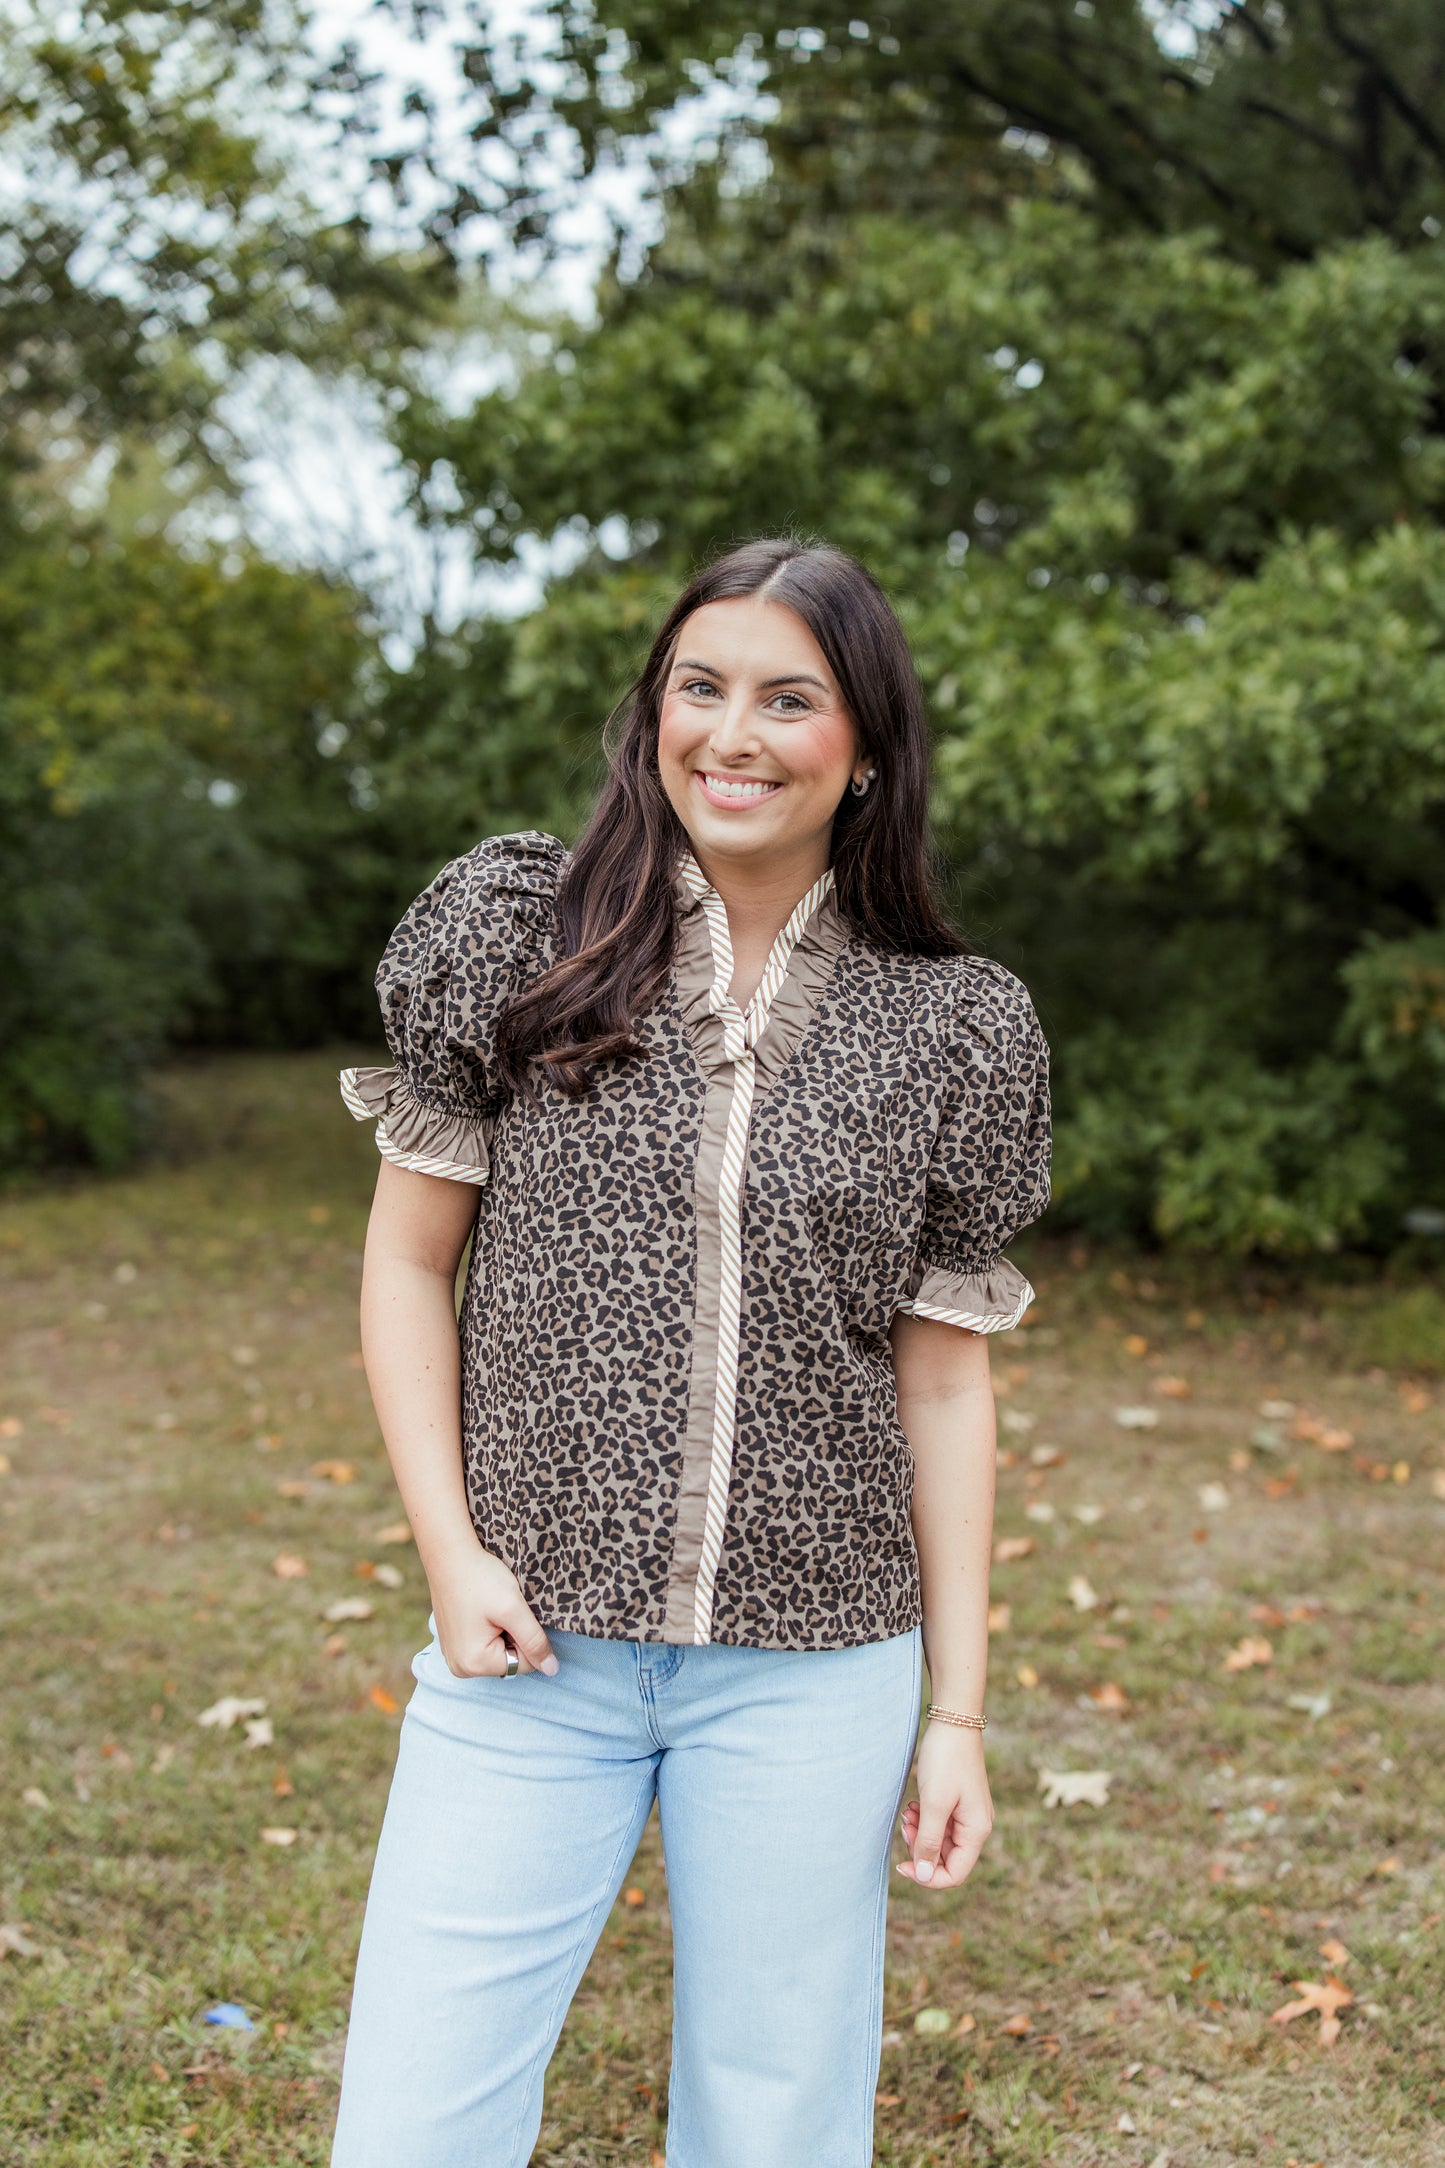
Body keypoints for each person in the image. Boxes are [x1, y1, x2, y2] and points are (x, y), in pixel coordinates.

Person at [328, 535, 1051, 2168]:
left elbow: (943, 1379)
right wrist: (448, 1553)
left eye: (788, 699)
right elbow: (402, 1263)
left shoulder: (955, 1025)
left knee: (777, 2123)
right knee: (413, 2121)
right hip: (527, 1647)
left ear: (862, 747)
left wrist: (956, 1712)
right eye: (699, 687)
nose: (733, 733)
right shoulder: (518, 930)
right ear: (654, 712)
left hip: (816, 1671)